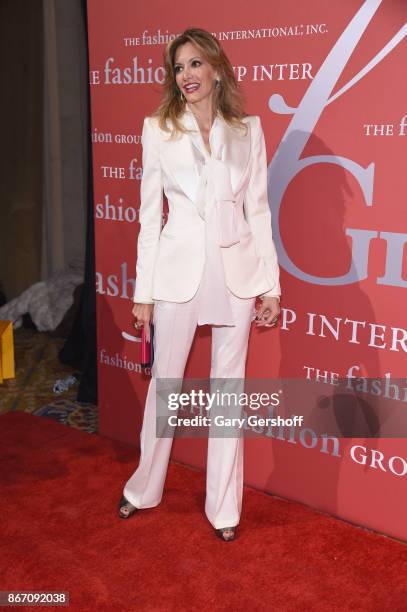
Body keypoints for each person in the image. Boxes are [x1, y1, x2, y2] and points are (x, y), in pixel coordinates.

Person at [118, 28, 281, 541]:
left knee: (227, 391)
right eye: (178, 68)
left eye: (194, 65)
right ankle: (144, 488)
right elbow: (149, 218)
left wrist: (270, 284)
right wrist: (143, 293)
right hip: (177, 271)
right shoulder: (158, 129)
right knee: (166, 387)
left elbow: (258, 209)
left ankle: (224, 508)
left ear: (215, 69)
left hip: (235, 272)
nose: (185, 75)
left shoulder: (248, 129)